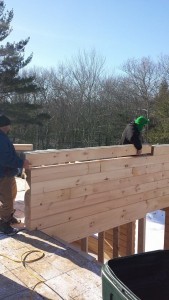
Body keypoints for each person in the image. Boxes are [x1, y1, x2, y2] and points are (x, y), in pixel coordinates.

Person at [0, 114, 30, 235]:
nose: (10, 128)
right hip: (3, 174)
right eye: (9, 125)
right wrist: (21, 162)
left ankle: (8, 217)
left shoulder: (3, 137)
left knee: (12, 195)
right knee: (7, 200)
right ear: (4, 126)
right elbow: (5, 159)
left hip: (7, 173)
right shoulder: (1, 139)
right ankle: (4, 224)